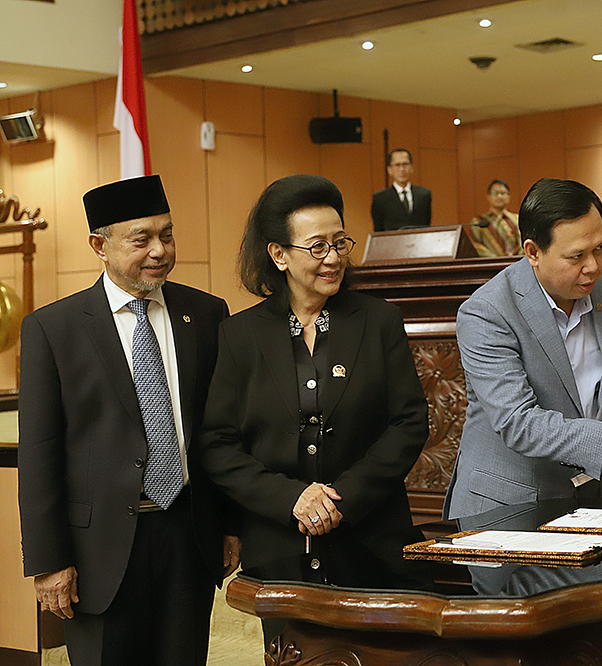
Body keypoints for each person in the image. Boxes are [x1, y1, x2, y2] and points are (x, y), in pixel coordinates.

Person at [197, 174, 431, 644]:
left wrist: (340, 499)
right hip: (280, 550)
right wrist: (292, 500)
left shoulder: (379, 320)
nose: (333, 258)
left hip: (372, 541)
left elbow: (408, 423)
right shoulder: (240, 336)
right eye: (317, 246)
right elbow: (218, 444)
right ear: (279, 255)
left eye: (340, 243)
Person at [17, 175, 239, 666]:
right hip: (98, 546)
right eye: (142, 239)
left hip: (188, 533)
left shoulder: (205, 314)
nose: (160, 250)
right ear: (100, 244)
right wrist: (50, 561)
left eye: (168, 234)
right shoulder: (54, 329)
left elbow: (220, 431)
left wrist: (230, 523)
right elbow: (39, 454)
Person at [442, 177, 602, 521]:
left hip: (589, 500)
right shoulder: (488, 312)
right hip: (507, 510)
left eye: (600, 248)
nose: (593, 266)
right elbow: (519, 423)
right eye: (576, 256)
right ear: (533, 252)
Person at [370, 148, 432, 231]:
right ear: (389, 170)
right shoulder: (380, 198)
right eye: (397, 165)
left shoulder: (424, 195)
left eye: (405, 164)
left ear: (411, 167)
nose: (402, 169)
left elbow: (426, 225)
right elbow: (378, 231)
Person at [467, 179, 523, 257]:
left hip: (515, 264)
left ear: (509, 197)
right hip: (489, 266)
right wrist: (495, 259)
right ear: (488, 197)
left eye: (503, 193)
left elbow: (524, 242)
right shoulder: (478, 221)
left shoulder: (517, 219)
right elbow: (475, 245)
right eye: (495, 193)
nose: (499, 196)